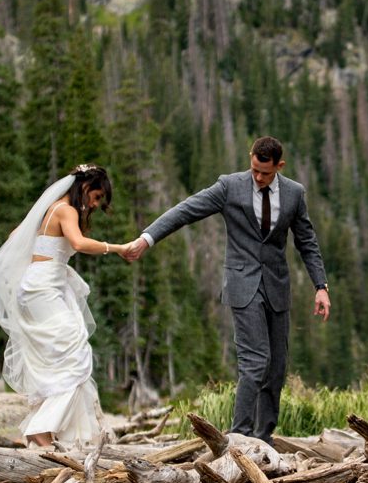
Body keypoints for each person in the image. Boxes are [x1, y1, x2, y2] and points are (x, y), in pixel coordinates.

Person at [125, 137, 329, 443]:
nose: (258, 177)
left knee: (276, 368)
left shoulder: (294, 194)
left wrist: (320, 286)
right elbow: (186, 210)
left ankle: (263, 438)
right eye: (255, 170)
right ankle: (239, 436)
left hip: (277, 286)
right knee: (255, 361)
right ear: (250, 160)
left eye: (265, 173)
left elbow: (307, 243)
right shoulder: (229, 187)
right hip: (242, 285)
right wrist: (147, 238)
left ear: (279, 166)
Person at [0, 163, 135, 460]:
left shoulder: (50, 210)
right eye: (95, 197)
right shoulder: (66, 209)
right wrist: (117, 248)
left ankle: (49, 430)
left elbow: (16, 234)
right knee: (74, 353)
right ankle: (42, 428)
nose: (94, 204)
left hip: (40, 286)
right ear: (84, 186)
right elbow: (79, 243)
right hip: (43, 289)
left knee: (62, 355)